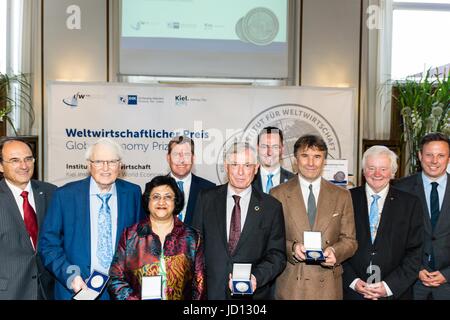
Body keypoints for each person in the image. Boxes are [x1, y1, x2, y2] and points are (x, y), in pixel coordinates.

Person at [39, 138, 145, 300]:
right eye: (99, 162)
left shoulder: (133, 193)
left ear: (120, 165)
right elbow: (48, 245)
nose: (106, 168)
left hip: (122, 291)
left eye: (112, 162)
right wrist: (71, 276)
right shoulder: (65, 195)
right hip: (77, 289)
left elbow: (141, 240)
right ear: (89, 165)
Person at [193, 142, 286, 300]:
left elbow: (277, 255)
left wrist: (256, 277)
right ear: (226, 166)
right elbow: (195, 246)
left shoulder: (271, 207)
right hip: (211, 292)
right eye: (235, 164)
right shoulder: (206, 199)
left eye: (247, 165)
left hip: (252, 295)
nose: (241, 172)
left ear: (256, 168)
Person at [270, 134, 357, 300]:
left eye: (317, 157)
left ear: (324, 160)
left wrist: (335, 252)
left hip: (328, 287)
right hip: (291, 285)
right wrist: (293, 248)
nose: (311, 163)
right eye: (305, 156)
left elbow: (350, 241)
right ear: (296, 159)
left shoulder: (342, 195)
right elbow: (271, 240)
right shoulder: (277, 194)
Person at [343, 146, 423, 300]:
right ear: (363, 171)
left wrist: (389, 287)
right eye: (371, 168)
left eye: (383, 169)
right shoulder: (345, 199)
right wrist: (353, 281)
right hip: (352, 292)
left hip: (395, 293)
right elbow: (337, 243)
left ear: (393, 172)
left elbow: (415, 252)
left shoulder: (410, 204)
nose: (377, 174)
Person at [108, 175, 205, 300]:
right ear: (148, 202)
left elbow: (199, 283)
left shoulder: (192, 237)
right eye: (156, 197)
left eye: (168, 197)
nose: (161, 202)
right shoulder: (131, 235)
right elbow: (116, 279)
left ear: (176, 202)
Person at [395, 132, 450, 299]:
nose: (434, 161)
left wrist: (447, 274)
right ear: (419, 156)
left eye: (441, 155)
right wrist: (416, 269)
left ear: (448, 158)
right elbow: (393, 237)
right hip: (411, 284)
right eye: (429, 155)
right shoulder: (400, 189)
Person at [0, 137, 56, 300]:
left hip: (47, 291)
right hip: (7, 292)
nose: (24, 166)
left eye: (28, 159)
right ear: (1, 166)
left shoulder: (52, 193)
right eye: (15, 160)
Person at [150, 135, 215, 226]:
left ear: (193, 158)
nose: (181, 160)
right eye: (176, 154)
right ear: (168, 158)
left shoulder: (209, 189)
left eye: (186, 154)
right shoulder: (153, 188)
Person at [252, 126, 294, 194]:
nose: (269, 153)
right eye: (264, 146)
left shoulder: (294, 181)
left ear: (282, 149)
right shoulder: (247, 180)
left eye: (275, 147)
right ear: (257, 148)